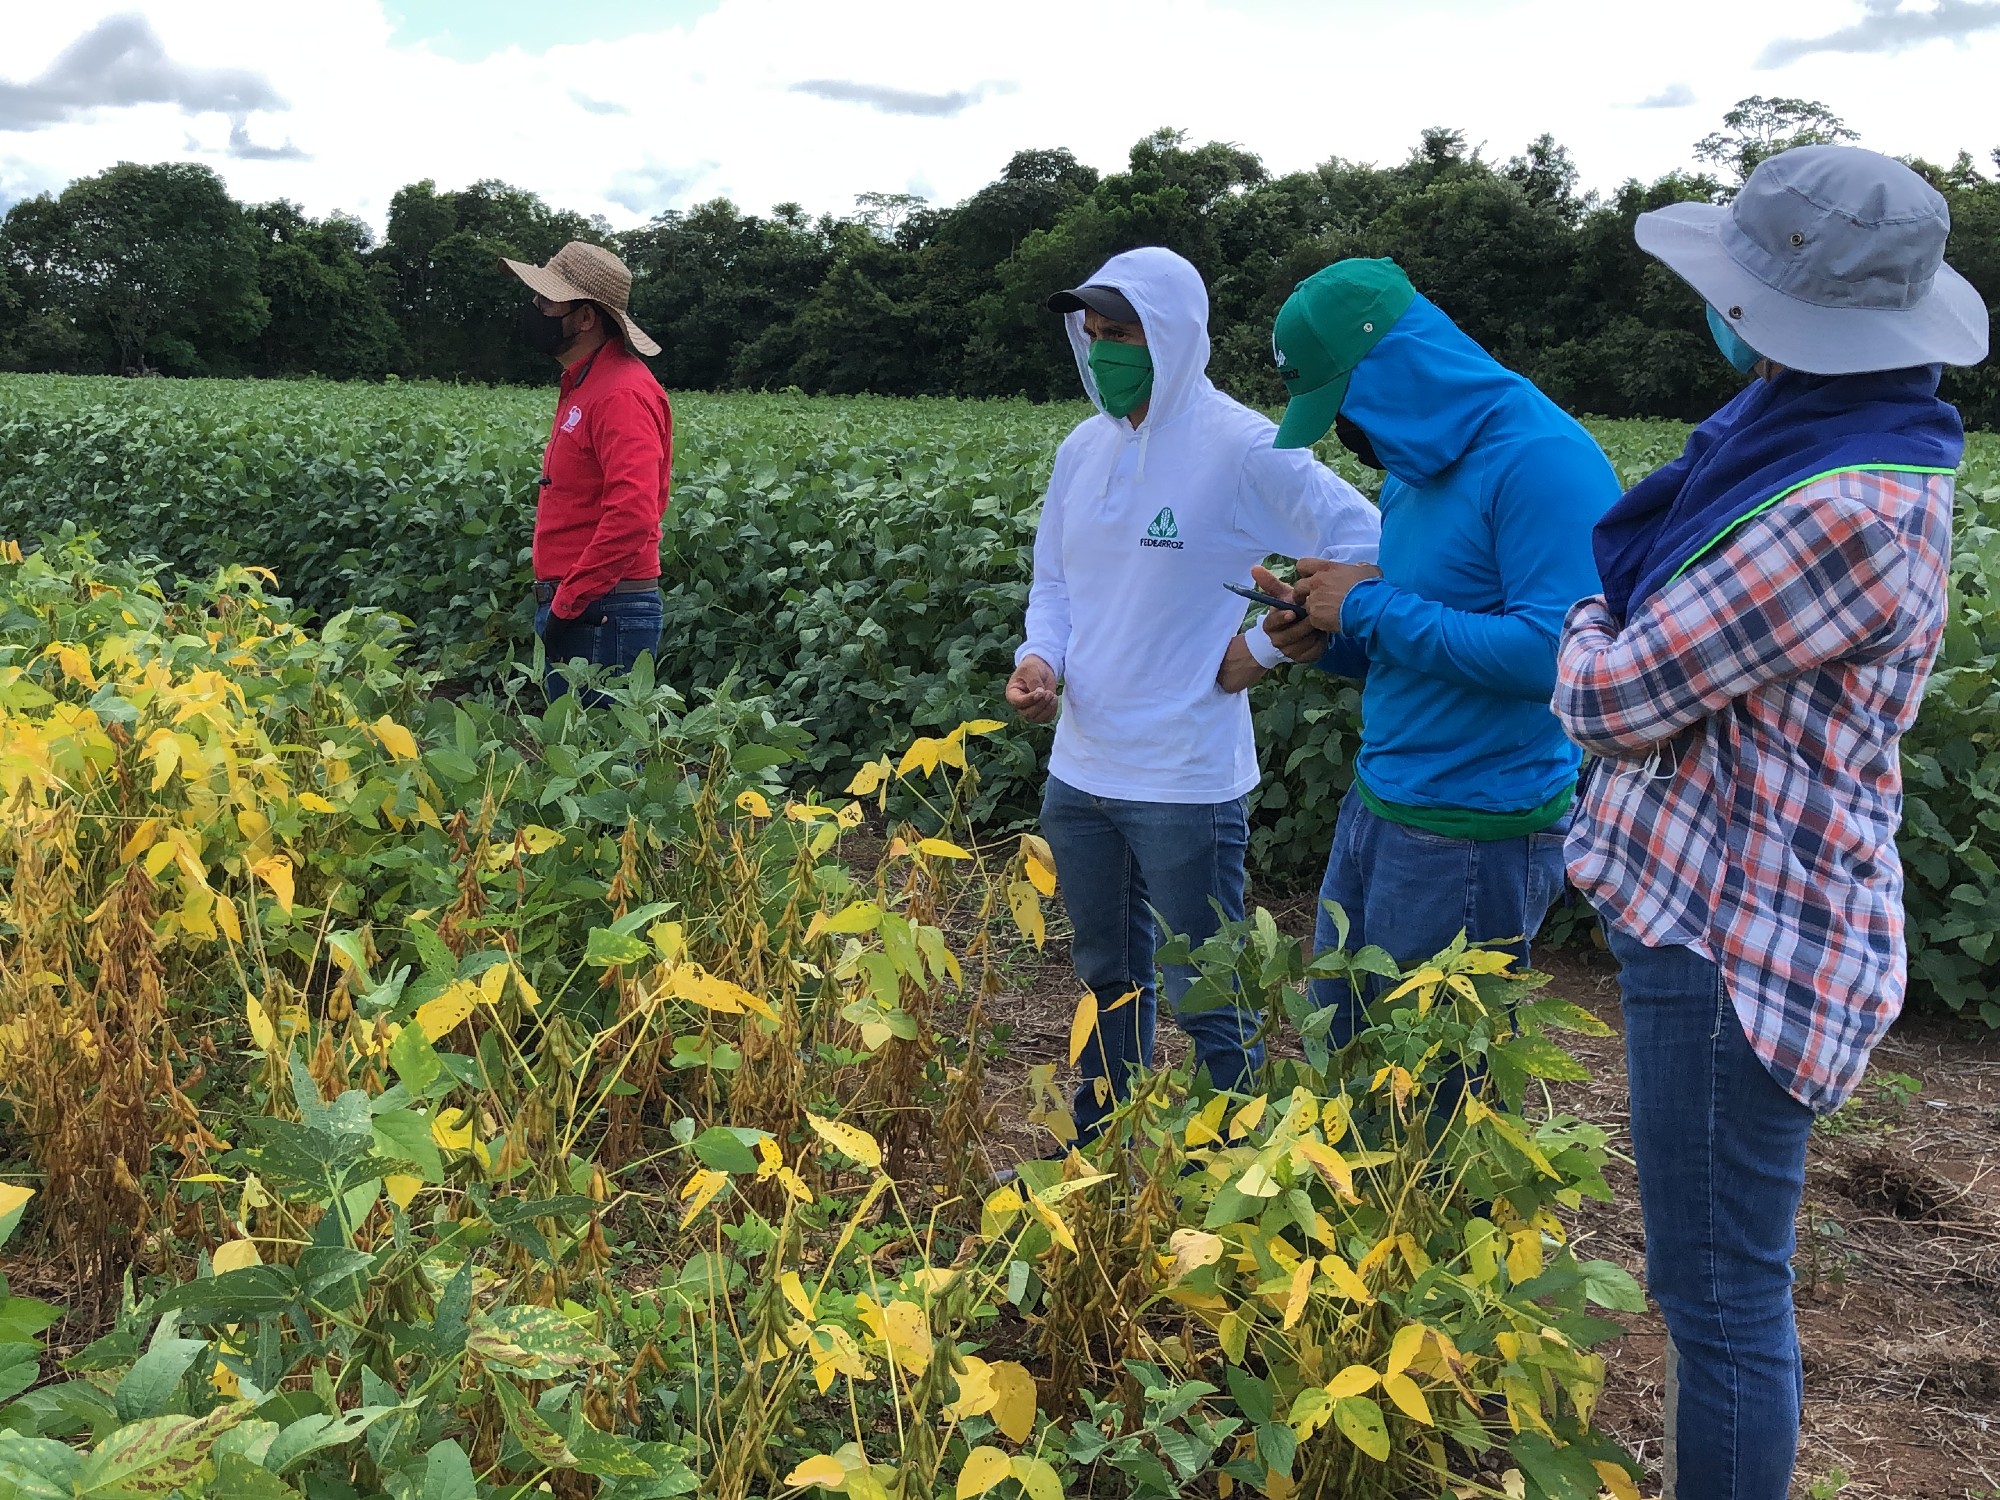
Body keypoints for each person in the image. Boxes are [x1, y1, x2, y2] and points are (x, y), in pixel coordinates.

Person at [1552, 145, 1986, 1500]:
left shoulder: (1837, 506)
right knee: (1713, 1285)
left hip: (1746, 944)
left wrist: (1578, 620)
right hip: (1726, 905)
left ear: (1765, 311)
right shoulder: (1810, 441)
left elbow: (1616, 698)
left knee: (1719, 1301)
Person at [1006, 246, 1380, 1142]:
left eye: (1123, 332)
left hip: (1185, 777)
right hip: (1082, 768)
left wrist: (1266, 644)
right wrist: (1042, 662)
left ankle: (1234, 1171)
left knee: (1209, 990)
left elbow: (1368, 541)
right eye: (1092, 334)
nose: (1104, 351)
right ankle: (1105, 1149)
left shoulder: (1243, 445)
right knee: (1107, 975)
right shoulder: (1083, 448)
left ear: (1172, 335)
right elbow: (1056, 586)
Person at [1219, 258, 1620, 1036]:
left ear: (1395, 371)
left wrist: (1366, 605)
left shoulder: (1540, 461)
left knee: (1432, 1092)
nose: (1350, 436)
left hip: (1475, 833)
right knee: (1339, 1047)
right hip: (1381, 802)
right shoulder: (1416, 465)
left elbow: (1557, 658)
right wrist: (1321, 635)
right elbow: (1416, 635)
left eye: (1347, 408)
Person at [499, 241, 672, 700]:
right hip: (591, 603)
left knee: (602, 762)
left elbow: (633, 514)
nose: (534, 308)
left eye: (546, 300)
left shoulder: (620, 392)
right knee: (584, 756)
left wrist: (569, 602)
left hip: (602, 608)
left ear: (585, 318)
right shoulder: (587, 383)